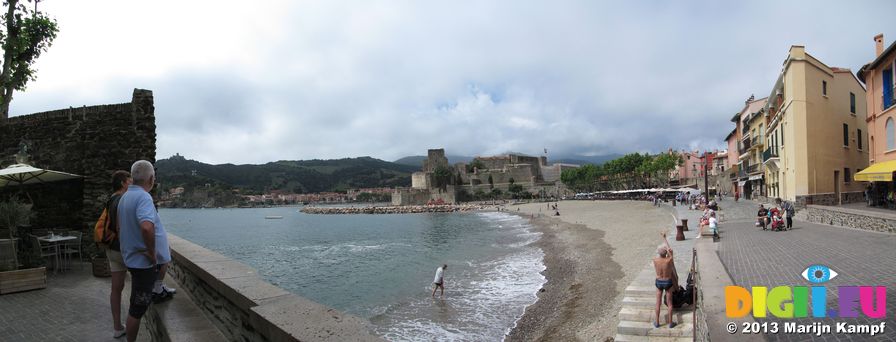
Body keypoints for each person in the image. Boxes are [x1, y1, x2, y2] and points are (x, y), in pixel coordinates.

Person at [118, 160, 173, 342]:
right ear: (151, 178)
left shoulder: (124, 197)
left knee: (137, 305)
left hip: (132, 260)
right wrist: (151, 253)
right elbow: (147, 228)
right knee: (137, 309)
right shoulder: (143, 197)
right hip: (143, 265)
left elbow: (120, 228)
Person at [107, 171, 131, 339]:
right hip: (124, 250)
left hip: (112, 249)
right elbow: (123, 228)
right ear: (123, 183)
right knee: (139, 286)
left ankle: (117, 327)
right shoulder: (123, 200)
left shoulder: (110, 199)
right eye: (130, 181)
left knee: (116, 289)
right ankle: (133, 324)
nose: (132, 184)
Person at [653, 232, 678, 328]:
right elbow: (670, 250)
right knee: (670, 303)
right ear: (666, 253)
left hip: (659, 282)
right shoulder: (669, 260)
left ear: (659, 253)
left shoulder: (655, 260)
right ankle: (671, 323)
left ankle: (657, 322)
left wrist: (663, 246)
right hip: (668, 282)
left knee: (658, 303)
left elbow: (665, 252)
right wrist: (665, 239)